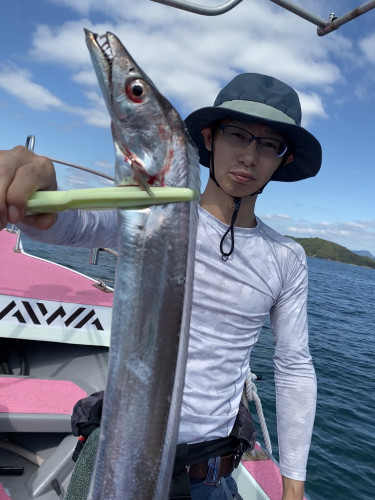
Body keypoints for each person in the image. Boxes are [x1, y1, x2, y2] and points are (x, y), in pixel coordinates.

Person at [0, 73, 321, 500]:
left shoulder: (286, 258)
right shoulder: (153, 212)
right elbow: (66, 223)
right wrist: (36, 189)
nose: (248, 156)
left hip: (210, 471)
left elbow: (294, 365)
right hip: (116, 455)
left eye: (269, 144)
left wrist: (294, 480)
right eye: (237, 135)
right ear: (209, 137)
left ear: (284, 158)